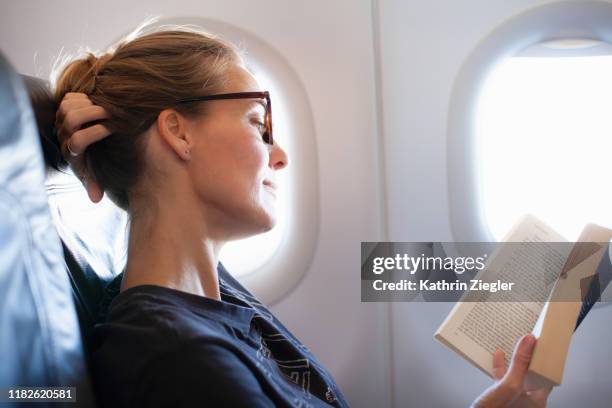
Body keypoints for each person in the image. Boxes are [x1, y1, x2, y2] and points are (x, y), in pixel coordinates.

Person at [51, 24, 552, 407]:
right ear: (178, 133)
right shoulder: (178, 357)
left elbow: (378, 268)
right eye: (257, 124)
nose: (281, 155)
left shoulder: (213, 296)